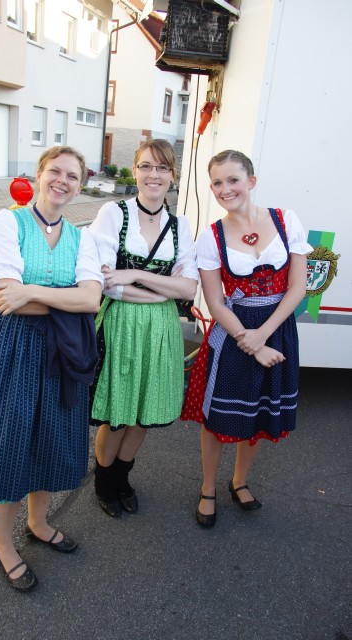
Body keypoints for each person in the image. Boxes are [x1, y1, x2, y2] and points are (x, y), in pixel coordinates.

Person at [0, 146, 102, 590]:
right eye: (55, 171)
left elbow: (91, 299)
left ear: (80, 186)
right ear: (39, 174)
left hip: (60, 351)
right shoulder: (8, 222)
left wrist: (32, 292)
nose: (62, 181)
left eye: (72, 176)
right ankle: (4, 543)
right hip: (12, 349)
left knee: (51, 439)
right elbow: (5, 299)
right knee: (9, 442)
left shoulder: (82, 238)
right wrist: (66, 300)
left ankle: (38, 523)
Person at [182, 150, 312, 528]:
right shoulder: (212, 236)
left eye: (233, 179)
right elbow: (214, 301)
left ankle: (239, 481)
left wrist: (263, 336)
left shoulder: (286, 221)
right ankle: (208, 487)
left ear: (251, 181)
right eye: (217, 183)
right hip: (232, 331)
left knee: (256, 411)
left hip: (276, 328)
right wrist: (248, 340)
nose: (226, 189)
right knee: (217, 418)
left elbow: (298, 287)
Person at [88, 139, 198, 517]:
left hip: (161, 330)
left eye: (162, 168)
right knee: (119, 412)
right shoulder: (113, 213)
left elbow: (189, 288)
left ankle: (123, 478)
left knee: (145, 410)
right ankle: (104, 483)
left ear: (172, 175)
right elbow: (105, 283)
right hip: (121, 324)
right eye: (146, 166)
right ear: (135, 170)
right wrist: (161, 293)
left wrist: (134, 275)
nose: (154, 175)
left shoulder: (180, 224)